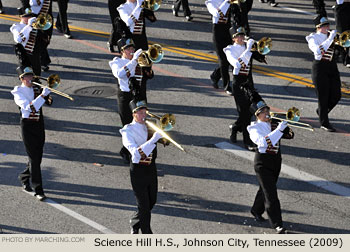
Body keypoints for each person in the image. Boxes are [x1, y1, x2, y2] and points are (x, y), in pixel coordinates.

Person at [247, 100, 294, 234]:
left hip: (276, 161)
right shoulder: (254, 128)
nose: (267, 113)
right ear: (257, 115)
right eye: (263, 112)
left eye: (267, 110)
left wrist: (286, 127)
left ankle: (256, 210)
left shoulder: (273, 123)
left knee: (266, 188)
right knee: (271, 194)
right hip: (262, 163)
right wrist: (279, 129)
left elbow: (290, 136)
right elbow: (264, 143)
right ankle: (277, 224)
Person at [119, 99, 163, 234]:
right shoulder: (127, 131)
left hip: (151, 169)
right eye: (140, 112)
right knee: (144, 206)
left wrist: (164, 136)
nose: (144, 115)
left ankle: (135, 221)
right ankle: (146, 234)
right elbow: (136, 154)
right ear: (133, 114)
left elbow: (163, 140)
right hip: (138, 171)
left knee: (152, 201)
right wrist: (154, 139)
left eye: (145, 112)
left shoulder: (150, 126)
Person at [11, 66, 52, 201]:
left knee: (38, 157)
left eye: (31, 76)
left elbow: (49, 103)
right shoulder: (18, 92)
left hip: (39, 124)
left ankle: (24, 177)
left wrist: (48, 95)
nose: (30, 79)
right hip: (28, 126)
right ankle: (38, 189)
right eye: (27, 76)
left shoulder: (36, 89)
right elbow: (31, 107)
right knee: (34, 158)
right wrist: (42, 95)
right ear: (21, 79)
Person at [109, 38, 154, 163]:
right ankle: (127, 151)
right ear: (122, 50)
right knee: (128, 124)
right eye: (128, 49)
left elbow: (148, 76)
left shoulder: (139, 60)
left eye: (132, 48)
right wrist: (133, 61)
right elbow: (120, 74)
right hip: (125, 96)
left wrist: (148, 66)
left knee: (141, 123)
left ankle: (141, 151)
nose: (131, 51)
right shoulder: (117, 62)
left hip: (139, 95)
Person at [223, 26, 267, 150]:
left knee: (251, 111)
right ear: (234, 38)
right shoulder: (229, 50)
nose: (242, 38)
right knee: (244, 112)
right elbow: (237, 64)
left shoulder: (247, 48)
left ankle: (235, 127)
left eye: (243, 35)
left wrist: (259, 49)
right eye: (239, 36)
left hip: (249, 83)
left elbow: (262, 57)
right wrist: (248, 49)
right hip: (238, 84)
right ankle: (247, 142)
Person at [306, 16, 342, 132]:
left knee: (337, 94)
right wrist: (331, 38)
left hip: (332, 66)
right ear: (318, 27)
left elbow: (339, 49)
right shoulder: (313, 38)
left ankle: (322, 111)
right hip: (320, 67)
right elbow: (318, 52)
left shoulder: (330, 37)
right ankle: (324, 123)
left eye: (328, 25)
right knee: (323, 96)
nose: (327, 28)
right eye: (324, 26)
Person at [205, 0, 233, 94]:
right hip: (218, 32)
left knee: (229, 59)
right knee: (223, 60)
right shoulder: (210, 2)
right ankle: (226, 85)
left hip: (228, 30)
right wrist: (227, 2)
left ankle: (215, 75)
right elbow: (217, 13)